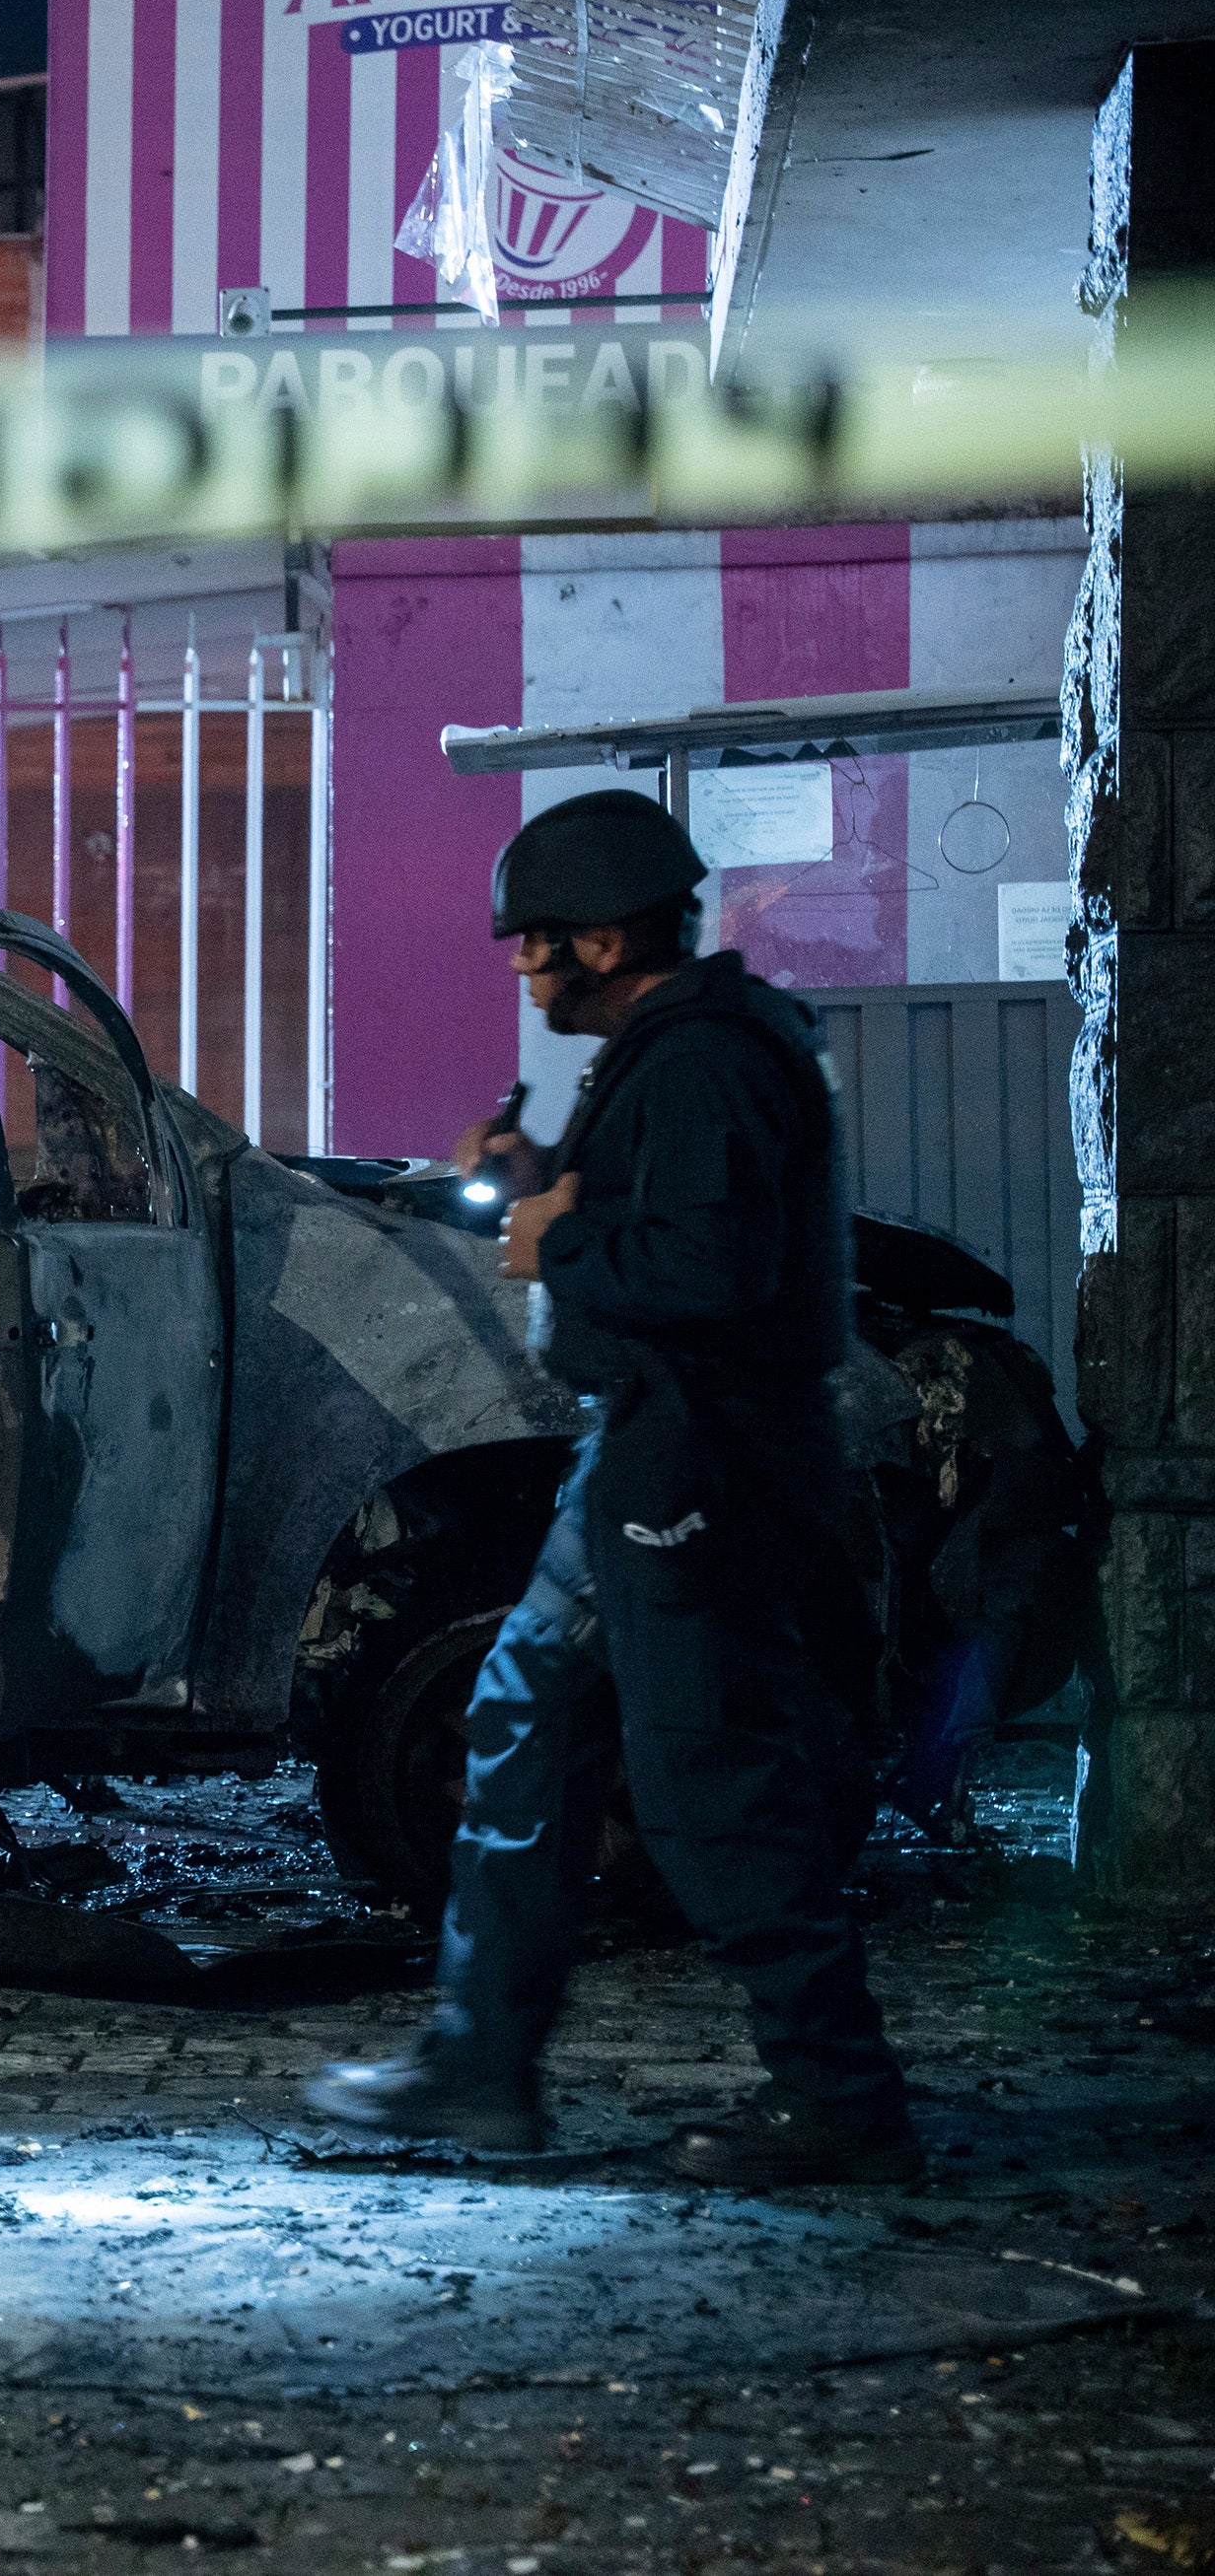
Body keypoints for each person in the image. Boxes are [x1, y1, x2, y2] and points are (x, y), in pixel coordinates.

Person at [308, 789, 917, 2187]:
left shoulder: (702, 1059)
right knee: (523, 1722)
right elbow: (659, 1210)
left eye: (534, 942)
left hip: (694, 1456)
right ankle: (480, 2065)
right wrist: (541, 1179)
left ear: (603, 934)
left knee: (709, 1776)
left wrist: (551, 1247)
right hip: (641, 1452)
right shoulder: (680, 1050)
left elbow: (710, 1272)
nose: (521, 967)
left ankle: (843, 2099)